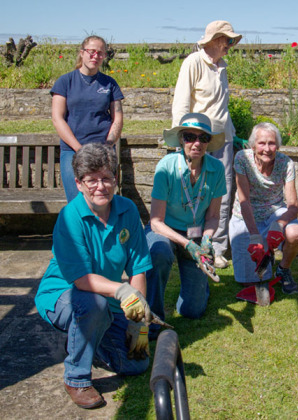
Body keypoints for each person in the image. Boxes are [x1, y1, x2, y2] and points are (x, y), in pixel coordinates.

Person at [34, 144, 152, 409]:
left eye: (107, 177)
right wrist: (122, 292)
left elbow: (138, 268)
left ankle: (87, 338)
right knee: (93, 306)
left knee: (136, 363)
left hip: (104, 296)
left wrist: (139, 322)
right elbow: (81, 280)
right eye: (92, 180)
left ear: (116, 178)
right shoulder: (69, 217)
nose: (101, 186)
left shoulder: (128, 210)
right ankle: (76, 378)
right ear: (78, 183)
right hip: (64, 294)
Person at [145, 113, 226, 337]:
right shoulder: (166, 167)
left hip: (197, 233)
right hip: (165, 231)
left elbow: (213, 215)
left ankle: (199, 288)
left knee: (193, 310)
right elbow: (155, 221)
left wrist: (207, 240)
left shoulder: (217, 169)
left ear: (209, 142)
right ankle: (153, 317)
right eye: (190, 137)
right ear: (181, 139)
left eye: (203, 138)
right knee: (159, 254)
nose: (197, 143)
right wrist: (186, 245)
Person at [171, 20, 242, 269]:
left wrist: (233, 135)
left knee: (220, 195)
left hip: (222, 139)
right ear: (214, 40)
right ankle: (191, 244)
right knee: (193, 194)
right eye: (228, 40)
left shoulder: (222, 66)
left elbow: (221, 108)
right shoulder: (193, 62)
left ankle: (217, 248)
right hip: (198, 140)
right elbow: (181, 103)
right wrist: (184, 139)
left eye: (232, 41)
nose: (231, 45)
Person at [229, 122, 298, 305]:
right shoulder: (241, 159)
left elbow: (293, 206)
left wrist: (279, 224)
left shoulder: (286, 163)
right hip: (245, 214)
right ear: (253, 145)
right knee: (247, 280)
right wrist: (254, 235)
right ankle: (264, 257)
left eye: (272, 143)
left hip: (274, 210)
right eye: (262, 143)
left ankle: (283, 269)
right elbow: (244, 200)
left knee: (295, 233)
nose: (267, 149)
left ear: (277, 145)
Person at [51, 35, 123, 202]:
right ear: (82, 53)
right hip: (72, 150)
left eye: (100, 53)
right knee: (76, 202)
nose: (95, 56)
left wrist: (108, 145)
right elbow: (57, 118)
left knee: (103, 199)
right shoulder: (65, 82)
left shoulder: (110, 84)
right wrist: (79, 149)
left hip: (103, 150)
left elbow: (117, 118)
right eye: (91, 52)